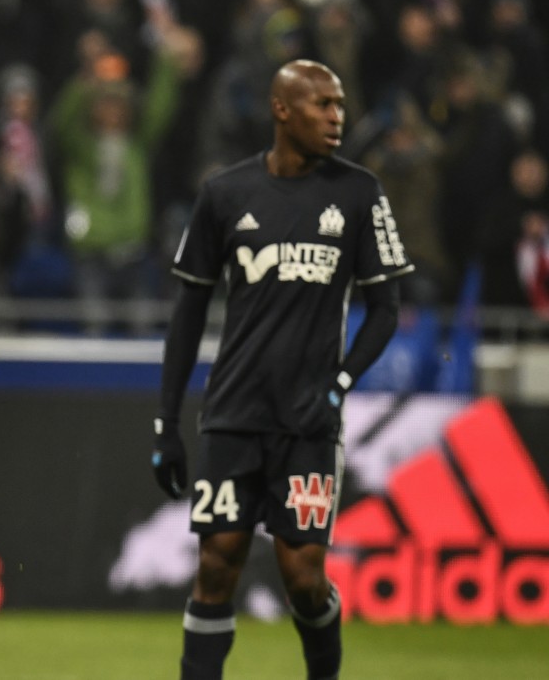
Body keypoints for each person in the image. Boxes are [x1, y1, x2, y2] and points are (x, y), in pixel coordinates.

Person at [150, 60, 413, 680]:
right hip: (233, 412)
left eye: (340, 105)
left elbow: (385, 311)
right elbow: (187, 315)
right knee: (217, 561)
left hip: (308, 420)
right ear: (282, 110)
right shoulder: (225, 193)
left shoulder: (358, 192)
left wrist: (340, 383)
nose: (336, 116)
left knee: (303, 576)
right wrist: (165, 423)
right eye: (321, 104)